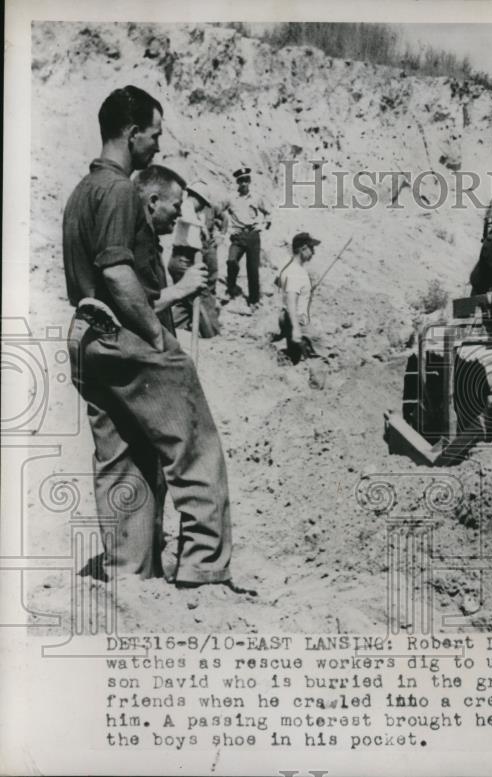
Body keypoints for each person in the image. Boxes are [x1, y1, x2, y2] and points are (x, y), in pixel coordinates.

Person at [62, 86, 249, 593]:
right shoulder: (122, 191)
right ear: (131, 133)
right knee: (195, 445)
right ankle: (203, 566)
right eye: (155, 134)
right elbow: (119, 275)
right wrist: (156, 336)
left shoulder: (83, 192)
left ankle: (131, 571)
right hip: (125, 335)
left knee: (122, 457)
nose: (157, 147)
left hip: (86, 336)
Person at [167, 180, 222, 337]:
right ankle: (211, 334)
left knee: (185, 301)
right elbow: (184, 217)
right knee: (198, 296)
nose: (203, 206)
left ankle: (168, 324)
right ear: (196, 197)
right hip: (182, 259)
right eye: (202, 202)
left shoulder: (195, 211)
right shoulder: (186, 206)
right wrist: (201, 225)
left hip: (187, 259)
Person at [224, 167, 270, 308]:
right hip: (237, 235)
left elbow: (268, 214)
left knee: (252, 269)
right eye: (241, 181)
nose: (244, 183)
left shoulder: (257, 197)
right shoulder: (231, 198)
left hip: (252, 235)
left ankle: (253, 300)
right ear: (237, 182)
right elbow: (220, 213)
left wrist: (263, 225)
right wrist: (227, 230)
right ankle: (231, 287)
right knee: (231, 261)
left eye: (246, 180)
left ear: (249, 182)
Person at [278, 231, 321, 364]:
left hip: (286, 318)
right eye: (311, 248)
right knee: (324, 352)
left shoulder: (289, 266)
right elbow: (291, 301)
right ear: (303, 249)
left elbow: (278, 284)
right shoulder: (297, 272)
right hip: (296, 321)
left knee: (297, 356)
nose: (313, 252)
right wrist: (296, 329)